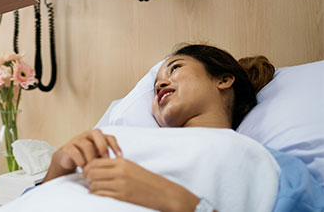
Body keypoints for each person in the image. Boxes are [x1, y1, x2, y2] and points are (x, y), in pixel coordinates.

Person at [41, 44, 324, 212]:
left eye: (174, 69)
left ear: (223, 80)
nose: (160, 84)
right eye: (156, 85)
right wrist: (58, 167)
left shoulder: (269, 164)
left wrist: (183, 203)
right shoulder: (118, 139)